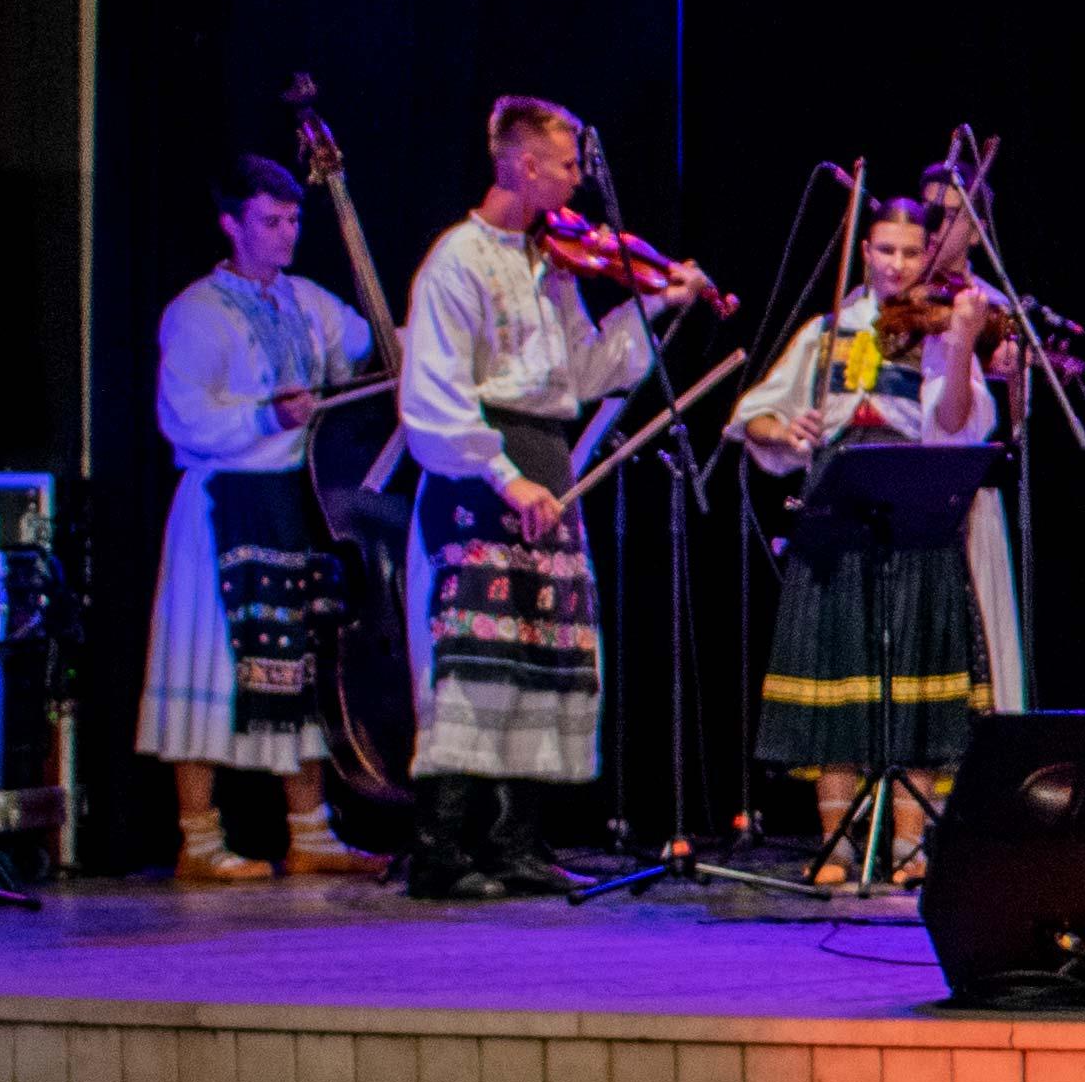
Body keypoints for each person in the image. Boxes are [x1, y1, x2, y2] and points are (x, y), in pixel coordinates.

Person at [392, 97, 713, 897]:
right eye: (569, 166)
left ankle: (515, 843)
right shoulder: (456, 260)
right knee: (473, 656)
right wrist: (505, 475)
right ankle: (440, 848)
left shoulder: (553, 266)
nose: (579, 181)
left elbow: (588, 371)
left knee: (542, 654)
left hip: (548, 453)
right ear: (526, 164)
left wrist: (660, 302)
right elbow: (433, 397)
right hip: (481, 468)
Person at [734, 191, 1004, 884]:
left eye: (912, 253)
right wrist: (785, 431)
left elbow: (955, 424)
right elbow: (754, 416)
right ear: (864, 252)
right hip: (838, 519)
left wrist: (963, 343)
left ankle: (910, 846)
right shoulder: (827, 331)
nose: (897, 265)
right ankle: (837, 843)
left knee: (915, 673)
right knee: (838, 675)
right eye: (885, 250)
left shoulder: (939, 330)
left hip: (914, 513)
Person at [138, 154, 377, 883]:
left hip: (291, 501)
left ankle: (312, 832)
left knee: (299, 663)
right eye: (270, 221)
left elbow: (366, 342)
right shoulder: (197, 312)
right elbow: (182, 418)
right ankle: (198, 838)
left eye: (293, 219)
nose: (286, 233)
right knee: (208, 662)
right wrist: (267, 416)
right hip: (224, 503)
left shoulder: (307, 301)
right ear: (231, 225)